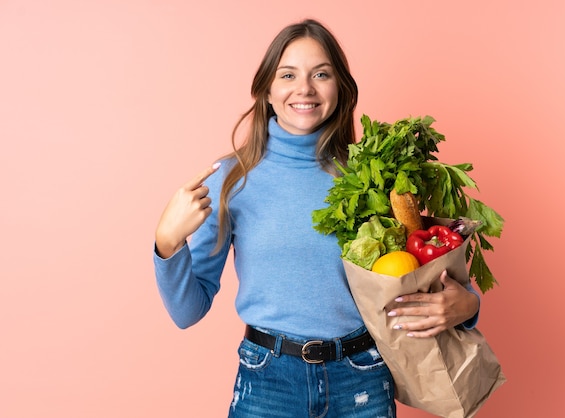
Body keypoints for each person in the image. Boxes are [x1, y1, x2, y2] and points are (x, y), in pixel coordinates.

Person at [153, 18, 480, 417]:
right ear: (266, 91)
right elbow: (188, 311)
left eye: (320, 74)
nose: (304, 88)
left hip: (362, 377)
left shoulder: (371, 177)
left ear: (340, 89)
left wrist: (467, 307)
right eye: (288, 74)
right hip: (267, 382)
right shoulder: (230, 180)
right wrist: (167, 244)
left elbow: (422, 272)